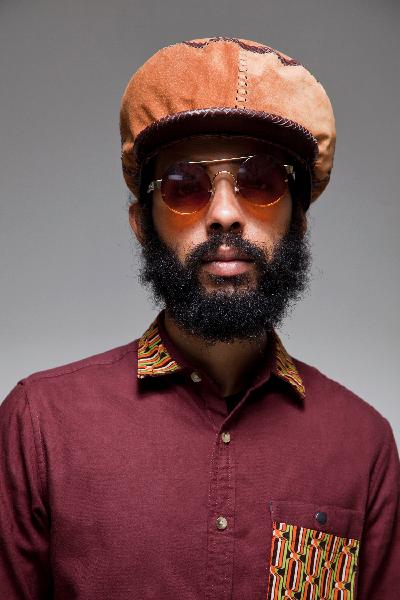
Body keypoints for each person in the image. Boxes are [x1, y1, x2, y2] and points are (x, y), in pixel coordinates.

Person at [0, 36, 399, 600]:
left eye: (261, 182)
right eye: (185, 186)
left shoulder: (362, 445)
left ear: (299, 221)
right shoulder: (39, 426)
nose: (225, 214)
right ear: (142, 223)